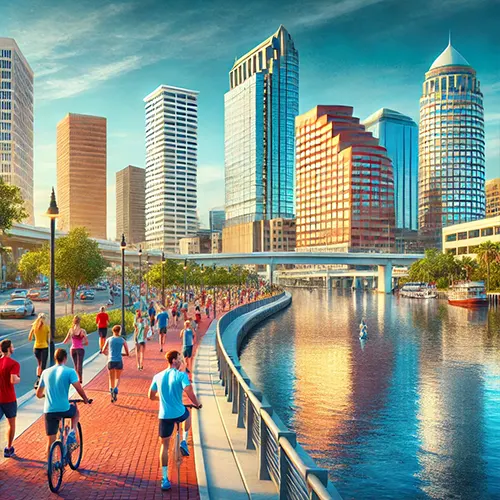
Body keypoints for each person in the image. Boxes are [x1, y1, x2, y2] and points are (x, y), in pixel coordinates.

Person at [148, 350, 202, 491]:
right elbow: (189, 392)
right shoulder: (181, 375)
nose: (182, 361)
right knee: (187, 412)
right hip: (178, 413)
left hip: (164, 416)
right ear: (173, 361)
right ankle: (184, 440)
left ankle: (165, 479)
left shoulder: (157, 376)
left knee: (164, 446)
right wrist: (197, 404)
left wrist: (163, 399)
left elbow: (151, 396)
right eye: (179, 359)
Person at [36, 348, 91, 459]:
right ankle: (72, 431)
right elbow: (78, 388)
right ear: (65, 358)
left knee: (50, 441)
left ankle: (50, 467)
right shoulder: (70, 371)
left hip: (49, 410)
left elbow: (38, 394)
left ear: (55, 358)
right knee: (75, 411)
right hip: (64, 408)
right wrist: (85, 399)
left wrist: (45, 396)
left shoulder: (45, 372)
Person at [0, 340, 20, 458]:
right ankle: (8, 448)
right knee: (11, 424)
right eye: (12, 346)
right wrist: (18, 379)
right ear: (8, 349)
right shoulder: (14, 364)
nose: (13, 348)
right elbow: (13, 380)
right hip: (9, 399)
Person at [102, 325, 129, 402]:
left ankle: (111, 393)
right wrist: (122, 354)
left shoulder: (109, 339)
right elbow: (127, 352)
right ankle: (116, 389)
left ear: (113, 331)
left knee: (111, 378)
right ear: (119, 331)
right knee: (117, 378)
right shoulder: (122, 340)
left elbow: (103, 350)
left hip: (110, 360)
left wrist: (108, 354)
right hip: (119, 361)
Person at [62, 316, 89, 383]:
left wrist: (71, 342)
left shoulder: (71, 330)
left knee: (75, 365)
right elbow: (86, 342)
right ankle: (80, 379)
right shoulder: (82, 331)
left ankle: (76, 378)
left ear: (73, 322)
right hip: (80, 349)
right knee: (79, 365)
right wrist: (81, 343)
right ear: (80, 322)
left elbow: (65, 341)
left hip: (73, 349)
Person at [28, 313, 49, 389]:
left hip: (36, 347)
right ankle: (41, 380)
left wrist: (36, 338)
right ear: (44, 319)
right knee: (43, 365)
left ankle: (38, 379)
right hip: (44, 347)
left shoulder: (34, 326)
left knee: (39, 364)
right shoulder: (46, 327)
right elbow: (48, 338)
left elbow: (29, 338)